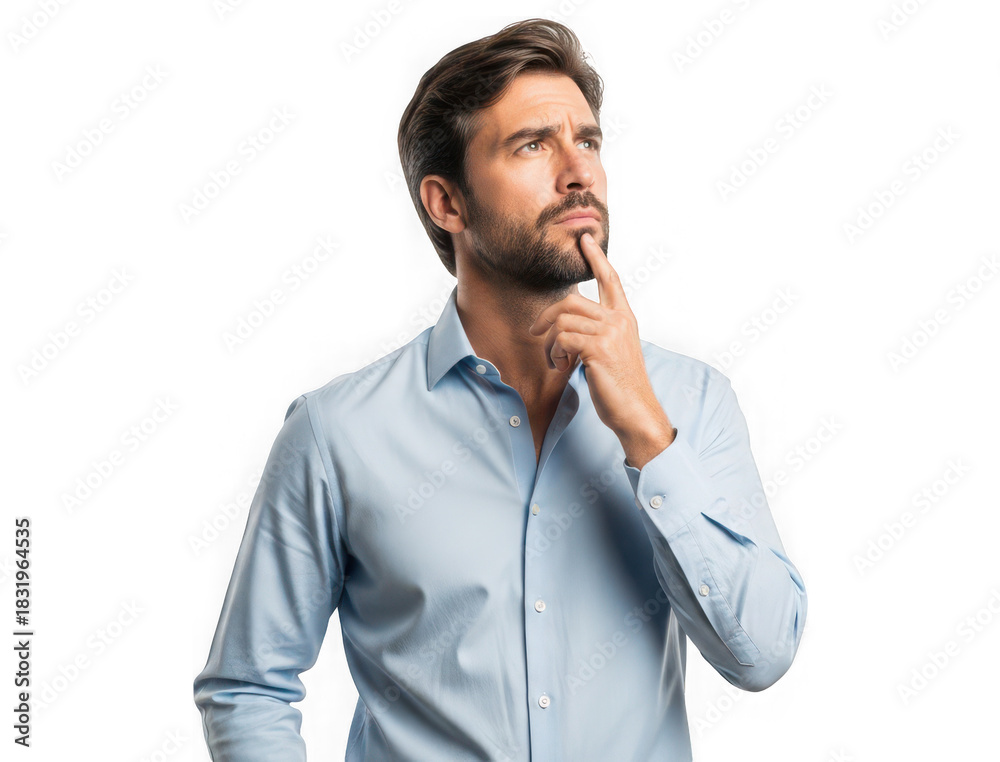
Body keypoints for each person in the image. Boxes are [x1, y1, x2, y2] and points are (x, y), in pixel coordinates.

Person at [193, 17, 807, 761]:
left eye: (588, 141)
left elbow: (762, 655)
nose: (578, 172)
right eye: (532, 145)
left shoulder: (692, 402)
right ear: (446, 204)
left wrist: (648, 435)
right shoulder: (337, 434)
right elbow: (249, 687)